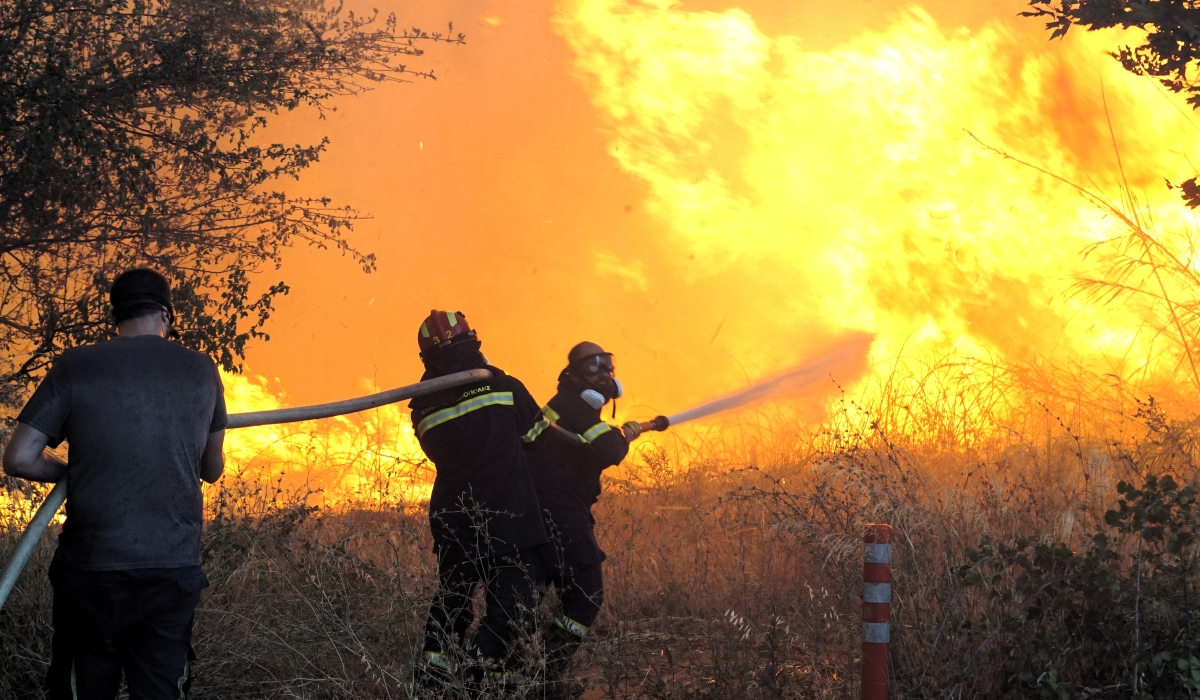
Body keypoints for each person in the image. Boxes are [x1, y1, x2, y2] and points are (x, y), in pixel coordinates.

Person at [2, 268, 227, 700]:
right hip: (170, 572)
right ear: (167, 316)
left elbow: (19, 458)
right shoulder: (202, 370)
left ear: (114, 318)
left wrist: (78, 470)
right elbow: (211, 469)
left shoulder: (76, 365)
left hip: (91, 573)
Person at [409, 310, 548, 693]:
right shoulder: (505, 387)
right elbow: (538, 441)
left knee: (452, 602)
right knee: (513, 606)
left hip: (454, 518)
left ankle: (431, 683)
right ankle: (474, 677)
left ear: (427, 359)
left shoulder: (421, 407)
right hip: (508, 518)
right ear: (474, 342)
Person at [524, 341, 643, 697]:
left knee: (528, 598)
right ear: (574, 374)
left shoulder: (567, 407)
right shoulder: (569, 405)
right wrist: (624, 435)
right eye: (593, 368)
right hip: (559, 511)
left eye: (607, 367)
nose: (605, 376)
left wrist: (615, 433)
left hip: (543, 510)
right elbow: (608, 449)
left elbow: (588, 446)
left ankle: (528, 676)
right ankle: (546, 674)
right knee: (586, 592)